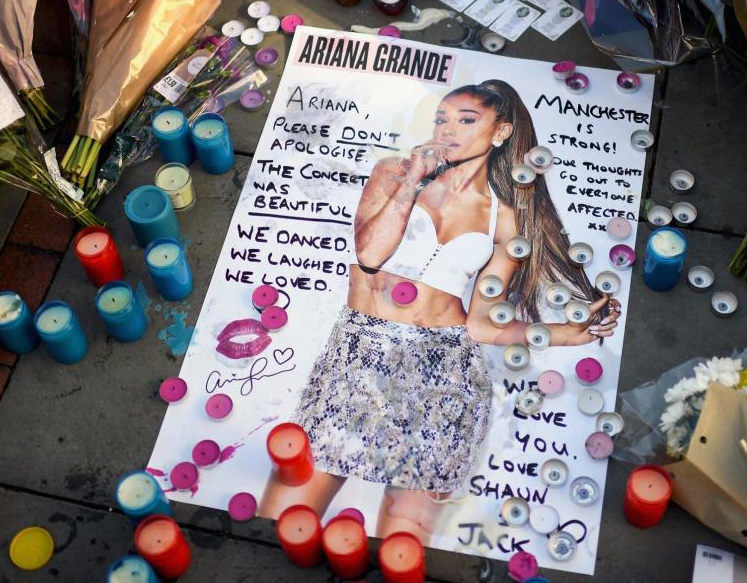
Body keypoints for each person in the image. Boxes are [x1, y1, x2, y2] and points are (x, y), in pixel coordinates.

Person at [260, 79, 620, 543]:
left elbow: (482, 324)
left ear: (501, 132)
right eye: (441, 119)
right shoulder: (394, 171)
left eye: (466, 121)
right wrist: (413, 179)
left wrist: (564, 333)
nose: (448, 130)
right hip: (357, 359)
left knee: (401, 548)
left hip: (444, 375)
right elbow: (370, 254)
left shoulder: (505, 217)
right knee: (279, 526)